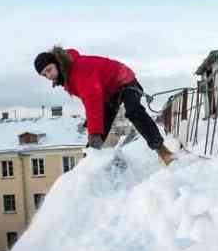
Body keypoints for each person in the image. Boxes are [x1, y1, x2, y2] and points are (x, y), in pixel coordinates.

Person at [34, 45, 175, 165]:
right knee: (97, 128)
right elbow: (91, 100)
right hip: (108, 92)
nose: (48, 75)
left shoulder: (78, 69)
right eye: (44, 75)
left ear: (57, 62)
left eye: (49, 70)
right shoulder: (67, 76)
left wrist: (94, 132)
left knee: (133, 112)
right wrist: (94, 128)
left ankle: (163, 152)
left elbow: (92, 98)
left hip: (124, 81)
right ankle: (87, 167)